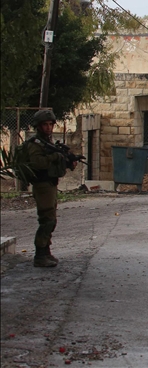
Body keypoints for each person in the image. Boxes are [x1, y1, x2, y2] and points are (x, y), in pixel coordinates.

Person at [25, 109, 77, 268]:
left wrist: (68, 162)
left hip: (51, 184)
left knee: (50, 219)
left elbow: (55, 163)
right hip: (42, 185)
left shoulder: (47, 142)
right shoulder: (35, 144)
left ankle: (45, 251)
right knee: (47, 220)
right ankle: (40, 254)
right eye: (45, 125)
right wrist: (55, 156)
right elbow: (37, 163)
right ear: (38, 126)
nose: (48, 127)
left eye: (50, 124)